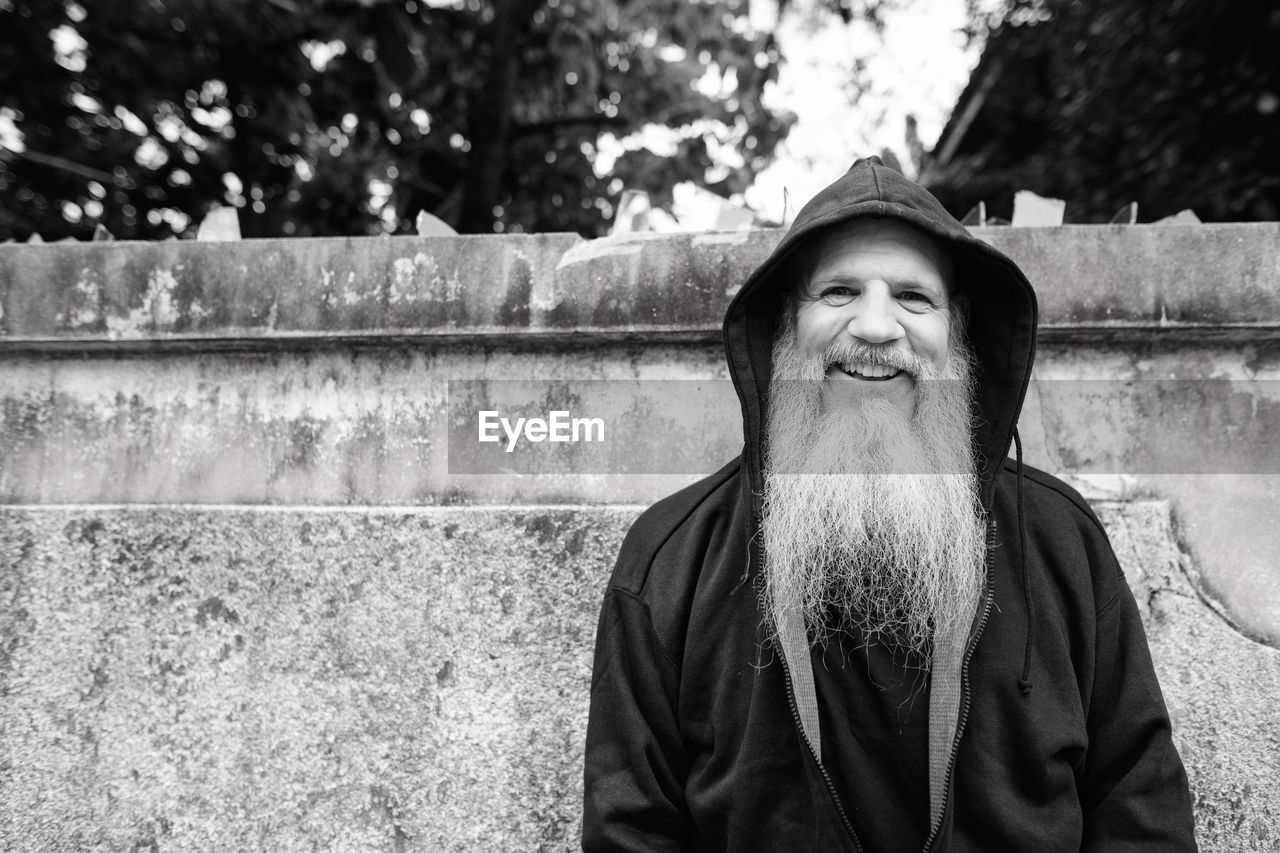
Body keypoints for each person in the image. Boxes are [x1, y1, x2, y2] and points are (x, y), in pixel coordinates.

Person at [582, 157, 1197, 851]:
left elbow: (1141, 812)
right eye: (839, 291)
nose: (876, 327)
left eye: (913, 297)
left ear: (954, 331)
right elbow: (630, 832)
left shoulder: (1062, 540)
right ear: (786, 324)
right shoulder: (671, 560)